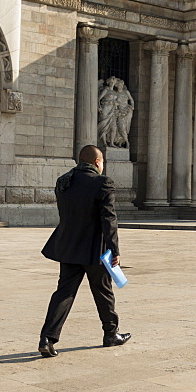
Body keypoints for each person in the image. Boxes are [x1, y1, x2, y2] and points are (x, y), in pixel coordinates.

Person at [38, 144, 131, 357]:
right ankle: (111, 334)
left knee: (64, 292)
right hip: (93, 249)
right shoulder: (102, 183)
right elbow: (109, 218)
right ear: (97, 163)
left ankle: (47, 337)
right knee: (103, 291)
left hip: (69, 247)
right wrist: (114, 249)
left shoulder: (64, 181)